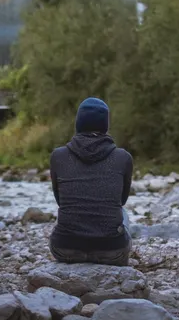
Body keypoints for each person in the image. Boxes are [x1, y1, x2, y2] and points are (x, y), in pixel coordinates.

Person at [48, 97, 134, 266]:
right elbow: (121, 201)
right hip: (112, 252)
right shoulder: (123, 158)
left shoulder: (58, 156)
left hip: (64, 249)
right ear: (105, 125)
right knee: (123, 213)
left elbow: (60, 200)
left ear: (78, 123)